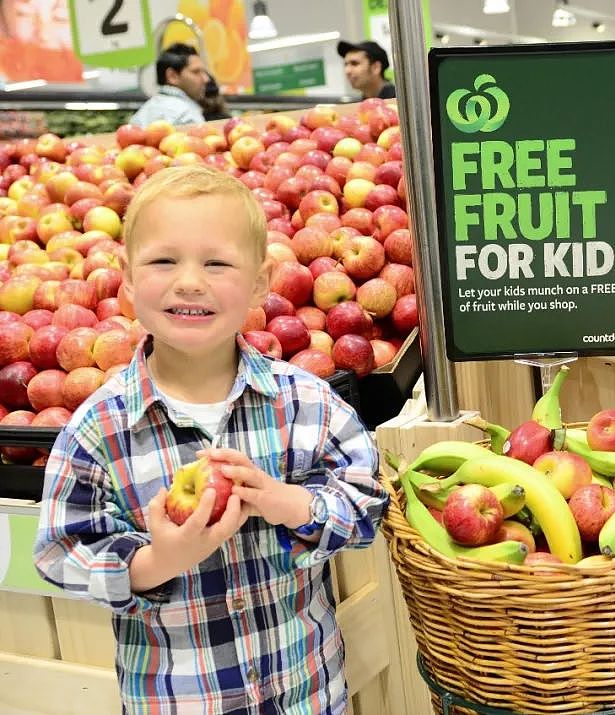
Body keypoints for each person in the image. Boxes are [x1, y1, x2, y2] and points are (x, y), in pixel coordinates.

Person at [33, 165, 388, 713]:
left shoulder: (304, 403)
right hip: (179, 699)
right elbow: (61, 553)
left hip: (308, 695)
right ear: (126, 278)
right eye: (163, 260)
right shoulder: (98, 430)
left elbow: (369, 501)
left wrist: (289, 503)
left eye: (217, 262)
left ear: (260, 281)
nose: (190, 281)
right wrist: (156, 561)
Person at [131, 43, 208, 127]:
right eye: (196, 72)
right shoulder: (185, 115)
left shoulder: (141, 113)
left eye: (203, 72)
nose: (206, 79)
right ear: (172, 76)